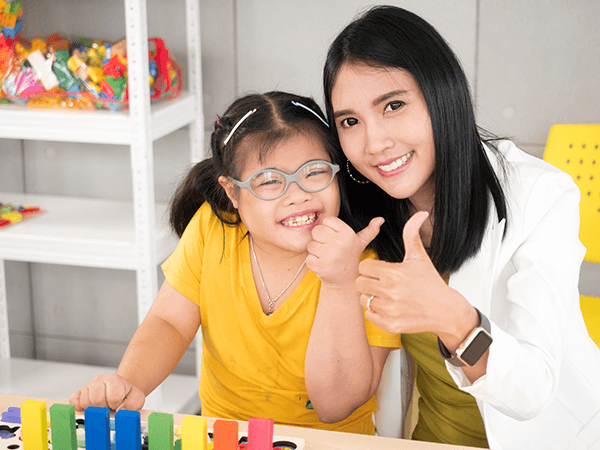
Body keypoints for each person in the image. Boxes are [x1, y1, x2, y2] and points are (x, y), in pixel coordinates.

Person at [307, 5, 600, 449]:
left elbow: (532, 391)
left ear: (442, 93)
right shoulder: (365, 213)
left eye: (394, 105)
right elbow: (334, 402)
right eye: (350, 121)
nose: (374, 142)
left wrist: (452, 316)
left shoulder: (540, 194)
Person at [69, 91, 400, 434]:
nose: (298, 194)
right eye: (270, 181)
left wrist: (339, 281)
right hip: (224, 435)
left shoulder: (368, 257)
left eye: (314, 172)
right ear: (232, 192)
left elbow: (335, 407)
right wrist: (130, 382)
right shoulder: (213, 229)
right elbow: (170, 321)